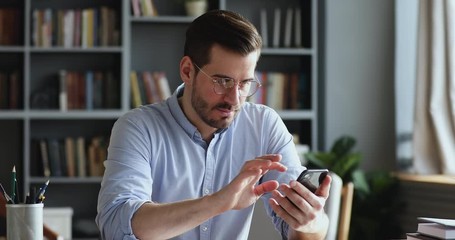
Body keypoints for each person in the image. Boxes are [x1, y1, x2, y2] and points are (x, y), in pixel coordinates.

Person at [96, 9, 331, 240]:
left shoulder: (264, 125)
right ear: (187, 71)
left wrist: (312, 222)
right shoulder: (138, 128)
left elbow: (301, 232)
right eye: (222, 81)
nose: (234, 98)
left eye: (245, 83)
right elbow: (117, 226)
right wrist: (219, 202)